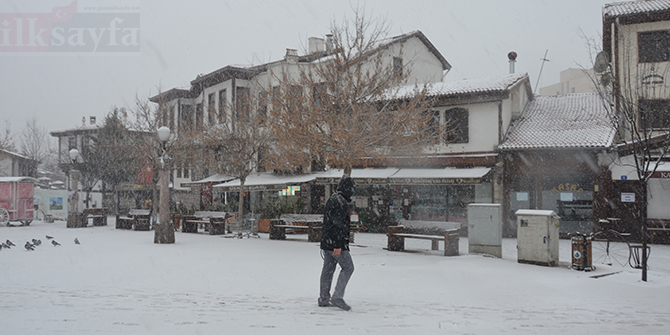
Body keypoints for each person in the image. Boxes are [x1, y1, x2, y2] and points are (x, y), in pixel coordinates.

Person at [318, 176, 356, 311]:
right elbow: (339, 226)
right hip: (335, 243)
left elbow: (330, 223)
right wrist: (338, 245)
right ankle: (337, 297)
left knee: (328, 270)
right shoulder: (340, 202)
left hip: (328, 242)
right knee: (348, 267)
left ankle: (323, 298)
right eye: (352, 190)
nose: (353, 193)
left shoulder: (334, 199)